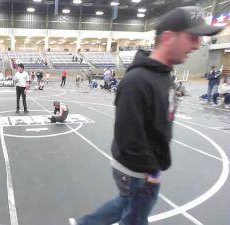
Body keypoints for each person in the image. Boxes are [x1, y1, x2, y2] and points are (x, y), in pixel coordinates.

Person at [69, 6, 223, 225]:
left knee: (125, 204)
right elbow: (129, 138)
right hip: (137, 172)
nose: (197, 45)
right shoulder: (138, 81)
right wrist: (151, 173)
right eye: (192, 37)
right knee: (135, 216)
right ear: (168, 37)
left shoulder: (163, 74)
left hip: (146, 169)